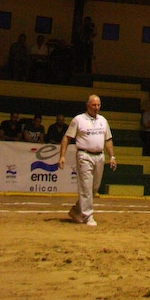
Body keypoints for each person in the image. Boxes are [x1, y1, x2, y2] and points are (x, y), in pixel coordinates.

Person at [58, 94, 117, 227]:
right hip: (84, 155)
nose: (96, 107)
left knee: (94, 188)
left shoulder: (103, 120)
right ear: (87, 105)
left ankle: (76, 211)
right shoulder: (78, 120)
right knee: (86, 186)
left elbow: (108, 139)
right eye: (94, 105)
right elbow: (67, 137)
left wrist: (112, 156)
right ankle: (88, 216)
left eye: (98, 105)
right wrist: (62, 156)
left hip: (100, 156)